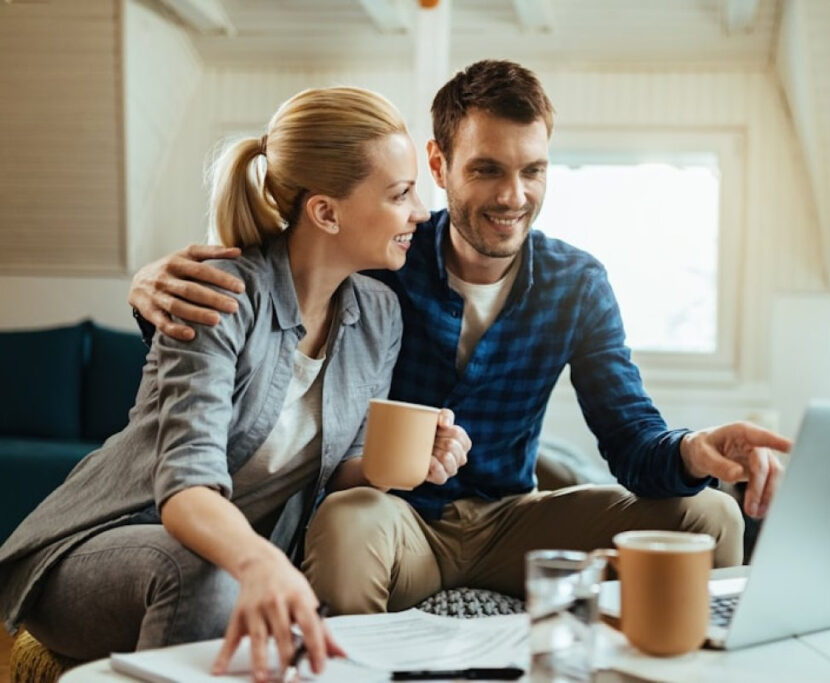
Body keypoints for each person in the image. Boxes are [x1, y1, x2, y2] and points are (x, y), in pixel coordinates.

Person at [129, 60, 792, 615]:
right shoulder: (384, 251)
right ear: (438, 163)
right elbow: (278, 288)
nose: (514, 195)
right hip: (395, 516)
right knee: (346, 517)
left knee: (710, 517)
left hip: (512, 520)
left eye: (533, 170)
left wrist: (698, 449)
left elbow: (630, 440)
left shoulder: (577, 282)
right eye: (488, 170)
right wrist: (152, 286)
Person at [0, 85, 464, 682]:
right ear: (325, 211)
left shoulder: (379, 314)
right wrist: (260, 562)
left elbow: (337, 466)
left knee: (219, 576)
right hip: (103, 546)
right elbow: (186, 489)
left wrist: (406, 457)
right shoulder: (217, 293)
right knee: (204, 574)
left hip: (223, 556)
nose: (421, 213)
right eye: (401, 194)